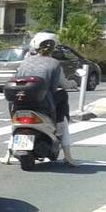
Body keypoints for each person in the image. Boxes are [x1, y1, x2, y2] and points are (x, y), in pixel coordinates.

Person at [15, 31, 76, 166]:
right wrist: (73, 83)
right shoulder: (54, 64)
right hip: (43, 103)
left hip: (20, 102)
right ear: (53, 48)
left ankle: (8, 154)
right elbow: (62, 84)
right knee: (63, 97)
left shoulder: (25, 62)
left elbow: (17, 78)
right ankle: (67, 154)